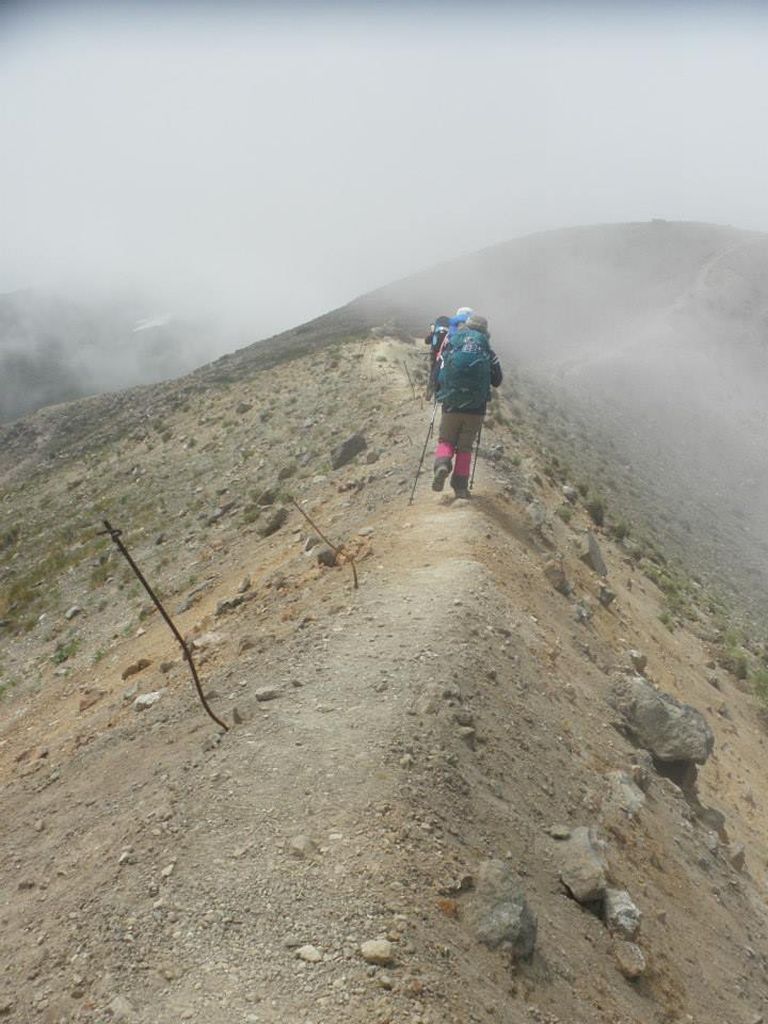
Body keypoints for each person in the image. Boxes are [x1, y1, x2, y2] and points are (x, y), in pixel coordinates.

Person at [432, 312, 502, 498]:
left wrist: (438, 392)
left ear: (466, 326)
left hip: (451, 404)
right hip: (476, 408)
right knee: (465, 447)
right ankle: (460, 488)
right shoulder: (488, 350)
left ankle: (442, 464)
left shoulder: (452, 344)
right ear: (485, 332)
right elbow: (497, 380)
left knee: (446, 439)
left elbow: (439, 370)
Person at [424, 315, 450, 398]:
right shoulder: (449, 334)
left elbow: (427, 341)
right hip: (445, 357)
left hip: (434, 356)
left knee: (432, 373)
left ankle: (429, 393)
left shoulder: (436, 332)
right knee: (443, 374)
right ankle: (441, 392)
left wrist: (432, 332)